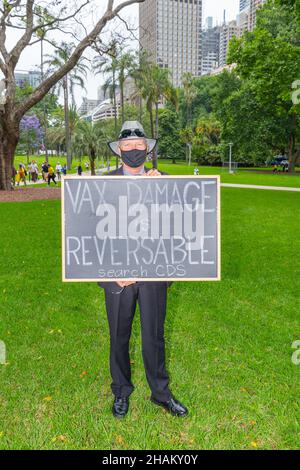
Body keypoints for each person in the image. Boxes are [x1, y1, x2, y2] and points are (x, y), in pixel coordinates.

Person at [98, 121, 188, 419]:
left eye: (139, 147)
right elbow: (89, 233)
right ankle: (121, 391)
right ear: (119, 150)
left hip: (153, 274)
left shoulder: (164, 182)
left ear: (147, 150)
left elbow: (181, 226)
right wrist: (110, 273)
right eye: (128, 147)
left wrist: (159, 190)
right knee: (118, 336)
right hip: (118, 276)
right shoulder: (102, 185)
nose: (134, 150)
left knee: (153, 336)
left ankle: (161, 393)